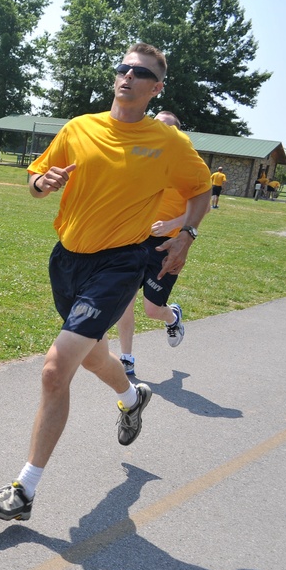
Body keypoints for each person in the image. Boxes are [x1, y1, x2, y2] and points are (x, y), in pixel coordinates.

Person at [0, 43, 211, 522]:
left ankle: (24, 491)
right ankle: (131, 396)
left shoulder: (169, 144)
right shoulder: (79, 127)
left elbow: (201, 189)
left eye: (139, 72)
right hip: (67, 260)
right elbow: (37, 174)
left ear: (155, 88)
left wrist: (186, 235)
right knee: (92, 355)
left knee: (55, 368)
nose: (127, 76)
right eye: (122, 67)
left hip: (121, 263)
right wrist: (43, 183)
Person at [115, 111, 210, 377]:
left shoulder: (188, 164)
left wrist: (171, 225)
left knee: (152, 309)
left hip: (168, 245)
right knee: (126, 301)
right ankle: (126, 358)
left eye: (166, 128)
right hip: (135, 239)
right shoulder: (143, 161)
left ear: (177, 134)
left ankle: (172, 317)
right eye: (155, 126)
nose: (158, 131)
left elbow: (205, 208)